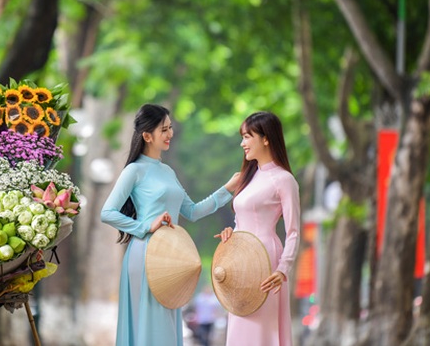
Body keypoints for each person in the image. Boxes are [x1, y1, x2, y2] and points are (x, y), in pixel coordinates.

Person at [101, 104, 240, 346]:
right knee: (149, 324)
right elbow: (107, 212)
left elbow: (192, 211)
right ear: (147, 136)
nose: (170, 134)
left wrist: (227, 190)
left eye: (170, 128)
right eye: (164, 129)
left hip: (172, 258)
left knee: (166, 324)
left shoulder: (167, 171)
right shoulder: (134, 171)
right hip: (145, 255)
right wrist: (145, 226)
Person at [215, 111, 300, 346]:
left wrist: (283, 269)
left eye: (247, 136)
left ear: (266, 138)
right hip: (240, 262)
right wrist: (231, 234)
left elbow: (293, 231)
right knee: (240, 325)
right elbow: (240, 222)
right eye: (242, 137)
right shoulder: (247, 177)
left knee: (262, 329)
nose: (243, 143)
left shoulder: (284, 180)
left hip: (267, 261)